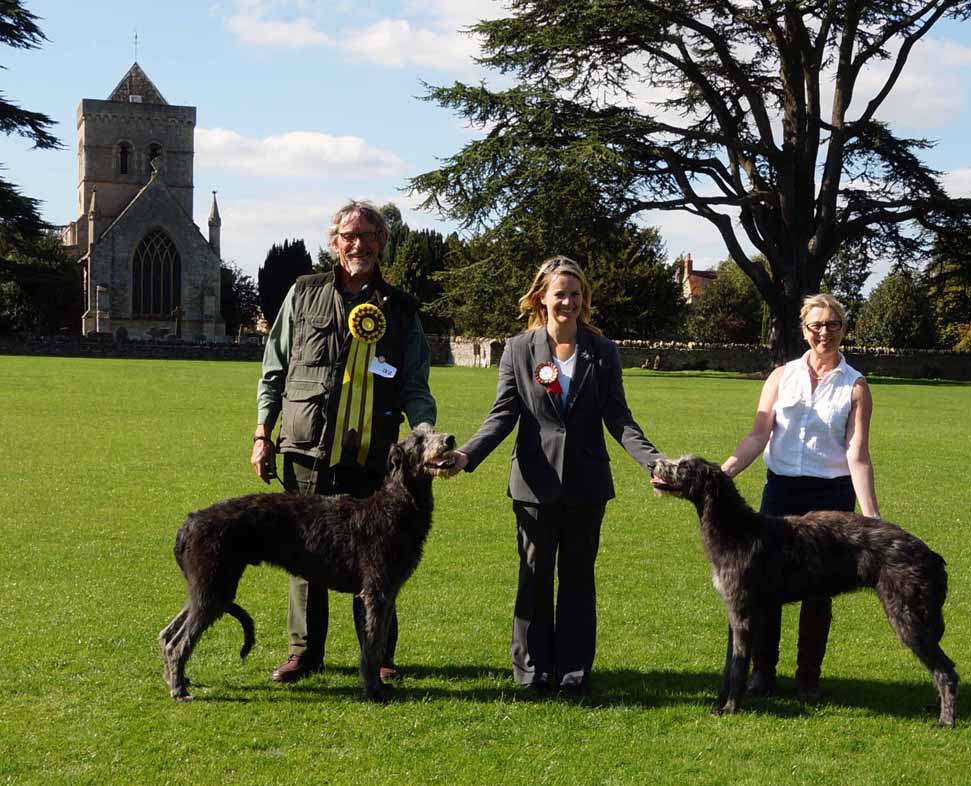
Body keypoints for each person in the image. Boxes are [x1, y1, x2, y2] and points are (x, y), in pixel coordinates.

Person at [444, 256, 664, 693]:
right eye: (559, 293)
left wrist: (654, 462)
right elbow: (502, 416)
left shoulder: (602, 351)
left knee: (579, 580)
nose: (568, 301)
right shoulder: (518, 348)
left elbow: (619, 418)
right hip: (533, 486)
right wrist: (466, 455)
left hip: (587, 487)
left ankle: (573, 672)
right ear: (541, 298)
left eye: (575, 294)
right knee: (534, 576)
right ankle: (531, 671)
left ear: (584, 300)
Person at [251, 200, 437, 684]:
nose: (359, 245)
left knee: (380, 556)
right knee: (304, 553)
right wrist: (261, 433)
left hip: (373, 453)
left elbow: (415, 382)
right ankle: (304, 653)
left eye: (369, 237)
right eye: (349, 236)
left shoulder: (401, 310)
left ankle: (378, 655)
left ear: (383, 245)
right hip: (305, 447)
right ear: (334, 242)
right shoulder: (303, 293)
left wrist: (425, 435)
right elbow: (274, 367)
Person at [720, 293, 880, 701]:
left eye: (832, 325)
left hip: (829, 497)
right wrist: (723, 473)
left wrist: (872, 518)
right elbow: (759, 434)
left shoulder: (855, 386)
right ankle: (762, 673)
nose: (823, 332)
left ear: (843, 328)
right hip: (781, 492)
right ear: (804, 329)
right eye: (815, 325)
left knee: (818, 592)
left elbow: (856, 454)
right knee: (763, 588)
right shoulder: (781, 376)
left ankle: (808, 676)